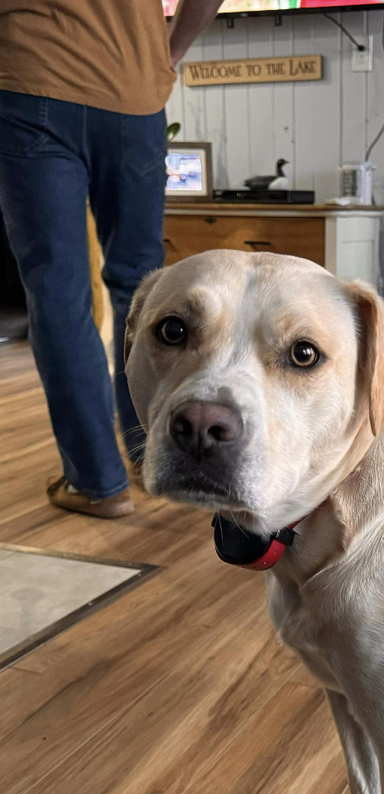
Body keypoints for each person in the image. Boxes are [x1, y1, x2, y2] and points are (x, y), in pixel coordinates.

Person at [0, 0, 223, 517]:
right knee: (140, 284)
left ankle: (97, 482)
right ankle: (155, 462)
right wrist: (171, 48)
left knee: (57, 292)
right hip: (135, 89)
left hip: (32, 75)